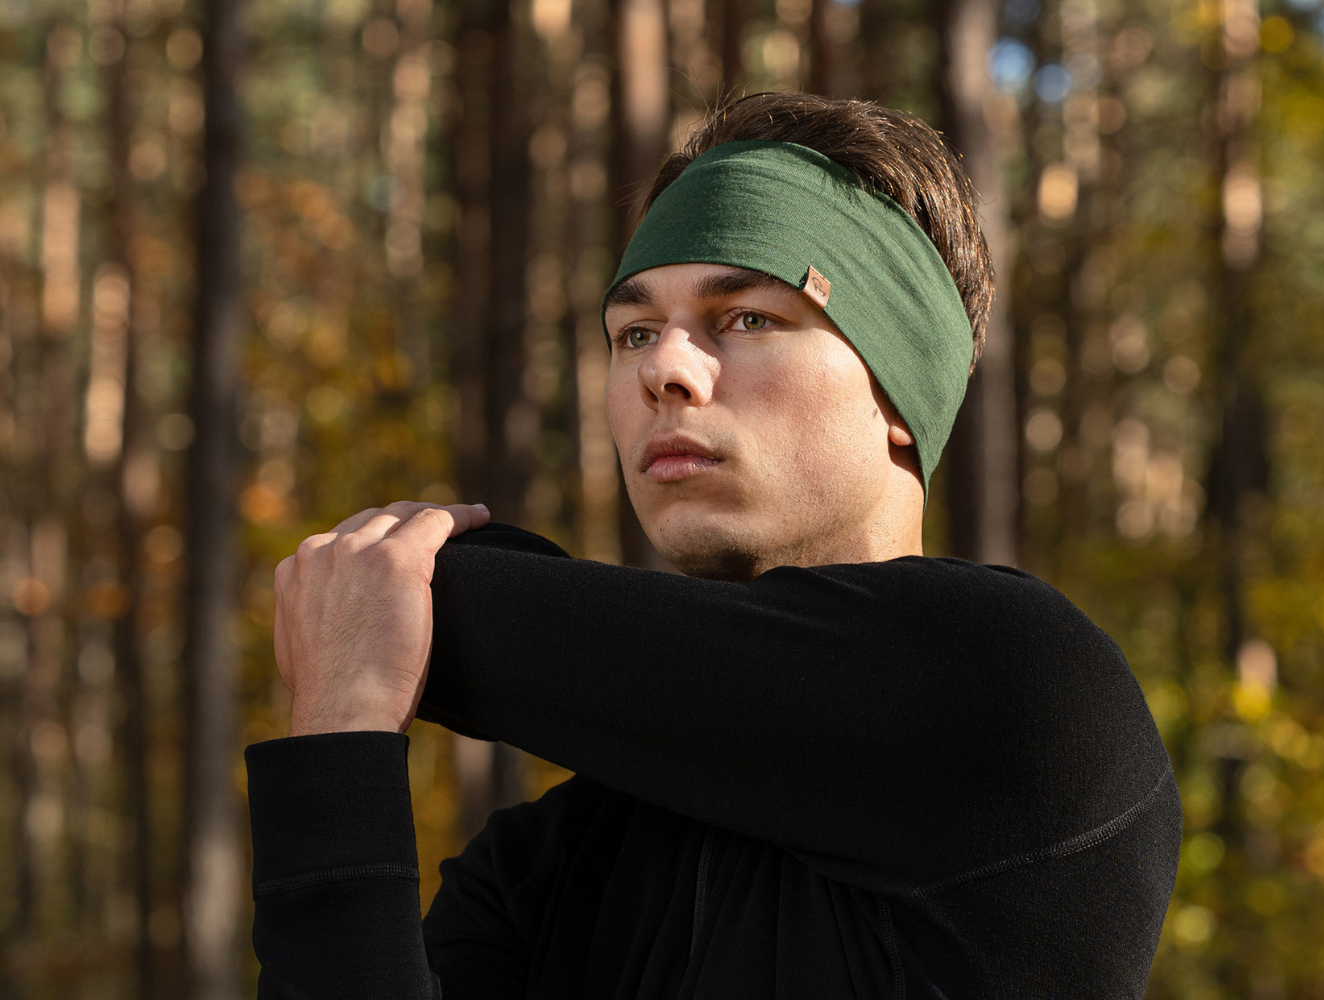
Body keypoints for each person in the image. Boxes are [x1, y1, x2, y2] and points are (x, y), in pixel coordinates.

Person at [247, 93, 1181, 999]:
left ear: (898, 396)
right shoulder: (547, 867)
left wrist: (381, 605)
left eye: (747, 319)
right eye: (635, 331)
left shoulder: (1019, 680)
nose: (663, 368)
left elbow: (431, 607)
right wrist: (338, 744)